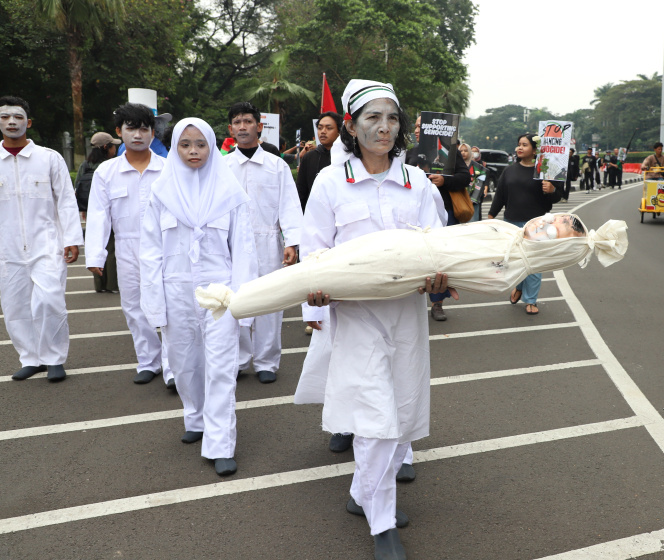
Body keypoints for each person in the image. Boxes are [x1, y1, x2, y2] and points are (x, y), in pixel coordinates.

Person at [303, 79, 445, 560]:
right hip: (356, 313)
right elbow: (313, 249)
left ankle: (363, 491)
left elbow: (436, 244)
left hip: (406, 313)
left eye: (391, 118)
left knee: (400, 406)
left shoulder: (417, 182)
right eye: (372, 118)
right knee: (374, 413)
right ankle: (381, 522)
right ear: (350, 125)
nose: (384, 128)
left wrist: (439, 277)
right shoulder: (330, 181)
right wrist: (314, 304)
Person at [197, 213, 630, 320]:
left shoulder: (508, 272)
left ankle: (235, 304)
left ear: (555, 255)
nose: (544, 225)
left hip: (400, 272)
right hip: (399, 244)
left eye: (554, 233)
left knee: (313, 278)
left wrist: (437, 284)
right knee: (319, 263)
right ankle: (236, 302)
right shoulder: (503, 230)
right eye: (550, 220)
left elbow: (452, 276)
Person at [140, 117, 257, 476]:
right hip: (175, 289)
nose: (193, 151)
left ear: (211, 146)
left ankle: (221, 442)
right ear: (175, 148)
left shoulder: (231, 193)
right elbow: (149, 252)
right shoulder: (160, 193)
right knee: (184, 361)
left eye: (201, 144)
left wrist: (244, 303)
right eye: (185, 144)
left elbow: (244, 250)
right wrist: (154, 304)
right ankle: (196, 418)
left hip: (219, 291)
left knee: (221, 366)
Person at [85, 103, 174, 387]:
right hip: (126, 247)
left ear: (153, 133)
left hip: (167, 247)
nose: (138, 134)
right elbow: (99, 215)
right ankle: (149, 361)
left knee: (172, 307)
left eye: (144, 128)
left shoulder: (169, 168)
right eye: (131, 128)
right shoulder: (106, 172)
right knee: (134, 306)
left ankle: (174, 366)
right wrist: (96, 254)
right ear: (118, 132)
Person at [0, 95, 83, 382]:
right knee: (15, 307)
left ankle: (54, 358)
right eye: (5, 117)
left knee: (49, 301)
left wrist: (71, 238)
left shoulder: (49, 158)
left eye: (18, 117)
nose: (11, 122)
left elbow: (66, 201)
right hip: (7, 248)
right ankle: (31, 358)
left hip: (47, 244)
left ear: (28, 122)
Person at [225, 101, 303, 384]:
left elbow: (290, 206)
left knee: (270, 301)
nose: (243, 127)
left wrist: (292, 242)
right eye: (237, 122)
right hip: (231, 244)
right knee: (236, 301)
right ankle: (239, 359)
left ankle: (266, 361)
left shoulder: (276, 166)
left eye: (248, 121)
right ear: (230, 128)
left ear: (259, 126)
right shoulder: (222, 166)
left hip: (268, 240)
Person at [488, 133, 563, 316]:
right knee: (516, 262)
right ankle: (520, 287)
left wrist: (551, 189)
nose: (519, 148)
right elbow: (500, 196)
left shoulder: (546, 170)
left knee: (534, 263)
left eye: (524, 145)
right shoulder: (509, 171)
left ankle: (531, 300)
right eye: (518, 145)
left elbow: (557, 196)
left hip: (537, 224)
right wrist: (490, 216)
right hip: (512, 222)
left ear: (535, 150)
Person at [406, 114, 470, 321]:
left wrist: (444, 180)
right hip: (414, 214)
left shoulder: (449, 152)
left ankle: (437, 302)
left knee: (439, 259)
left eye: (420, 127)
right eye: (415, 127)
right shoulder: (409, 153)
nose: (416, 130)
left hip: (443, 213)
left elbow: (465, 177)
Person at [75, 132, 120, 294]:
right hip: (110, 210)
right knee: (112, 248)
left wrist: (85, 210)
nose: (116, 148)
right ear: (107, 147)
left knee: (97, 244)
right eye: (113, 145)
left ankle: (99, 285)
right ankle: (112, 284)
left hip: (89, 210)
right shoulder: (110, 165)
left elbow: (77, 187)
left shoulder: (85, 165)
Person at [295, 111, 343, 211]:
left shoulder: (348, 156)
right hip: (314, 215)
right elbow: (301, 192)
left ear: (339, 131)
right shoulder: (309, 157)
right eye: (320, 128)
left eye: (329, 128)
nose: (323, 131)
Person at [459, 142, 487, 221]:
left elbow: (480, 183)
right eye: (461, 151)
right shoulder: (455, 166)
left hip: (473, 202)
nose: (463, 153)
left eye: (465, 150)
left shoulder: (477, 168)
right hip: (459, 201)